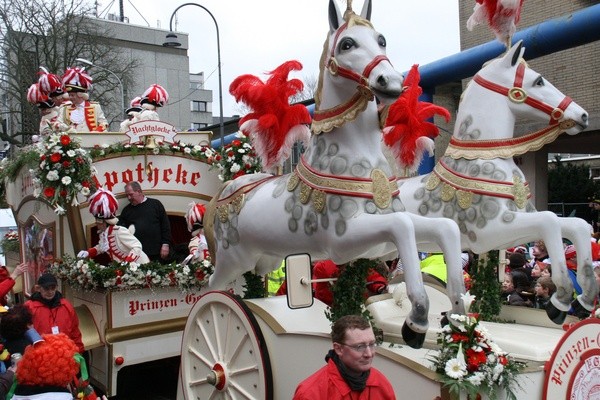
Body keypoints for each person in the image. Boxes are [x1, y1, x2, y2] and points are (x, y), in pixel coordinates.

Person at [293, 315, 395, 399]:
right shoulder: (310, 394)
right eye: (360, 347)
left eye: (372, 344)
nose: (369, 354)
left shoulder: (381, 384)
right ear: (338, 349)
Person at [77, 188, 150, 264]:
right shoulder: (104, 234)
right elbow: (100, 248)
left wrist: (127, 263)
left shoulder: (119, 231)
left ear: (105, 222)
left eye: (98, 221)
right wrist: (88, 253)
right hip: (123, 268)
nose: (96, 223)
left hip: (139, 264)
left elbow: (137, 246)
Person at [24, 273, 85, 354]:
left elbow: (75, 331)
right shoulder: (30, 307)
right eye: (46, 288)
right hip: (40, 354)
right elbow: (24, 334)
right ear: (38, 288)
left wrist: (79, 350)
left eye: (53, 288)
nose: (50, 292)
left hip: (64, 353)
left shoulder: (66, 305)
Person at [119, 181, 171, 263]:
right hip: (137, 255)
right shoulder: (126, 211)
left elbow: (165, 225)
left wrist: (165, 244)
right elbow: (121, 231)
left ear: (139, 191)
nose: (128, 198)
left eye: (131, 194)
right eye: (127, 195)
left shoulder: (155, 204)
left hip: (157, 252)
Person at [55, 66, 108, 132]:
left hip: (91, 141)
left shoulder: (95, 107)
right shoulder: (65, 108)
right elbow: (56, 124)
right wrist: (65, 128)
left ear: (80, 94)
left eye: (72, 95)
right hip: (72, 141)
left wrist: (96, 132)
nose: (70, 97)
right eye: (69, 95)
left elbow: (104, 123)